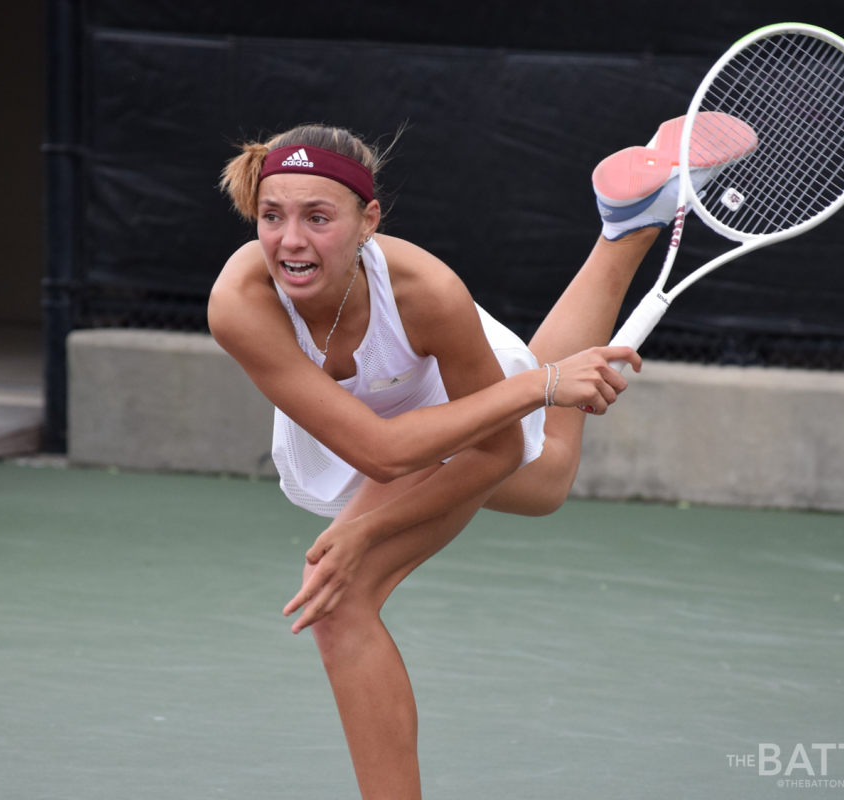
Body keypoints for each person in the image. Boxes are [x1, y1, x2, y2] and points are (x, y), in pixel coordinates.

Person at [208, 118, 748, 800]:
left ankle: (630, 229)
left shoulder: (429, 292)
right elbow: (378, 453)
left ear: (368, 220)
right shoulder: (239, 303)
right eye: (272, 216)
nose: (291, 241)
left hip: (450, 390)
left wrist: (534, 388)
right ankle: (627, 226)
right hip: (373, 434)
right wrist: (547, 384)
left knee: (528, 484)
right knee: (543, 479)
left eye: (319, 217)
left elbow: (493, 448)